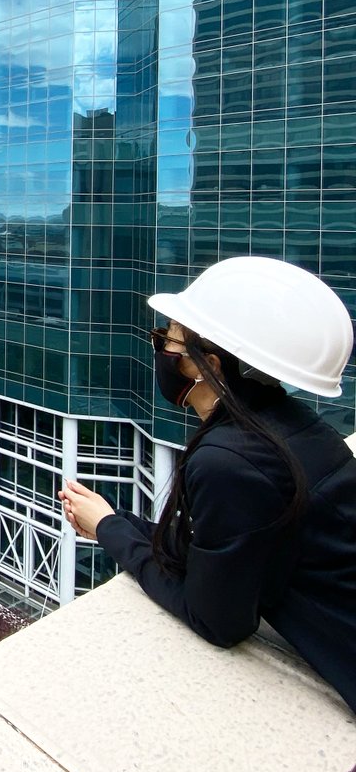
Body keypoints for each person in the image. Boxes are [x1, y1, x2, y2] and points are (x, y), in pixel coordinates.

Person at [59, 256, 356, 716]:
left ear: (206, 365)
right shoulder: (296, 430)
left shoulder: (230, 463)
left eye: (168, 341)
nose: (161, 351)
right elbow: (217, 549)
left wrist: (108, 533)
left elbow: (216, 619)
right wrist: (116, 521)